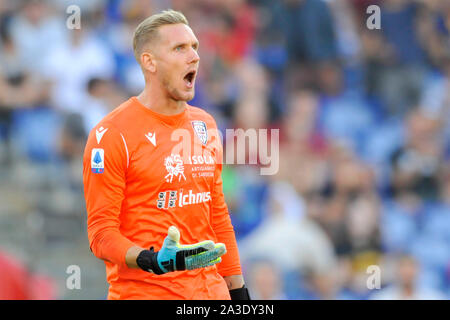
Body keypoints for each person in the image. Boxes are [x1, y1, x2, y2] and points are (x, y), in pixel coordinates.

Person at [82, 9, 249, 300]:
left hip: (212, 293)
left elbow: (218, 216)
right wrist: (154, 260)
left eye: (195, 47)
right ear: (150, 62)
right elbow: (101, 235)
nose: (194, 56)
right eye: (179, 48)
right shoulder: (111, 134)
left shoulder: (205, 124)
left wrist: (239, 292)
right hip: (146, 293)